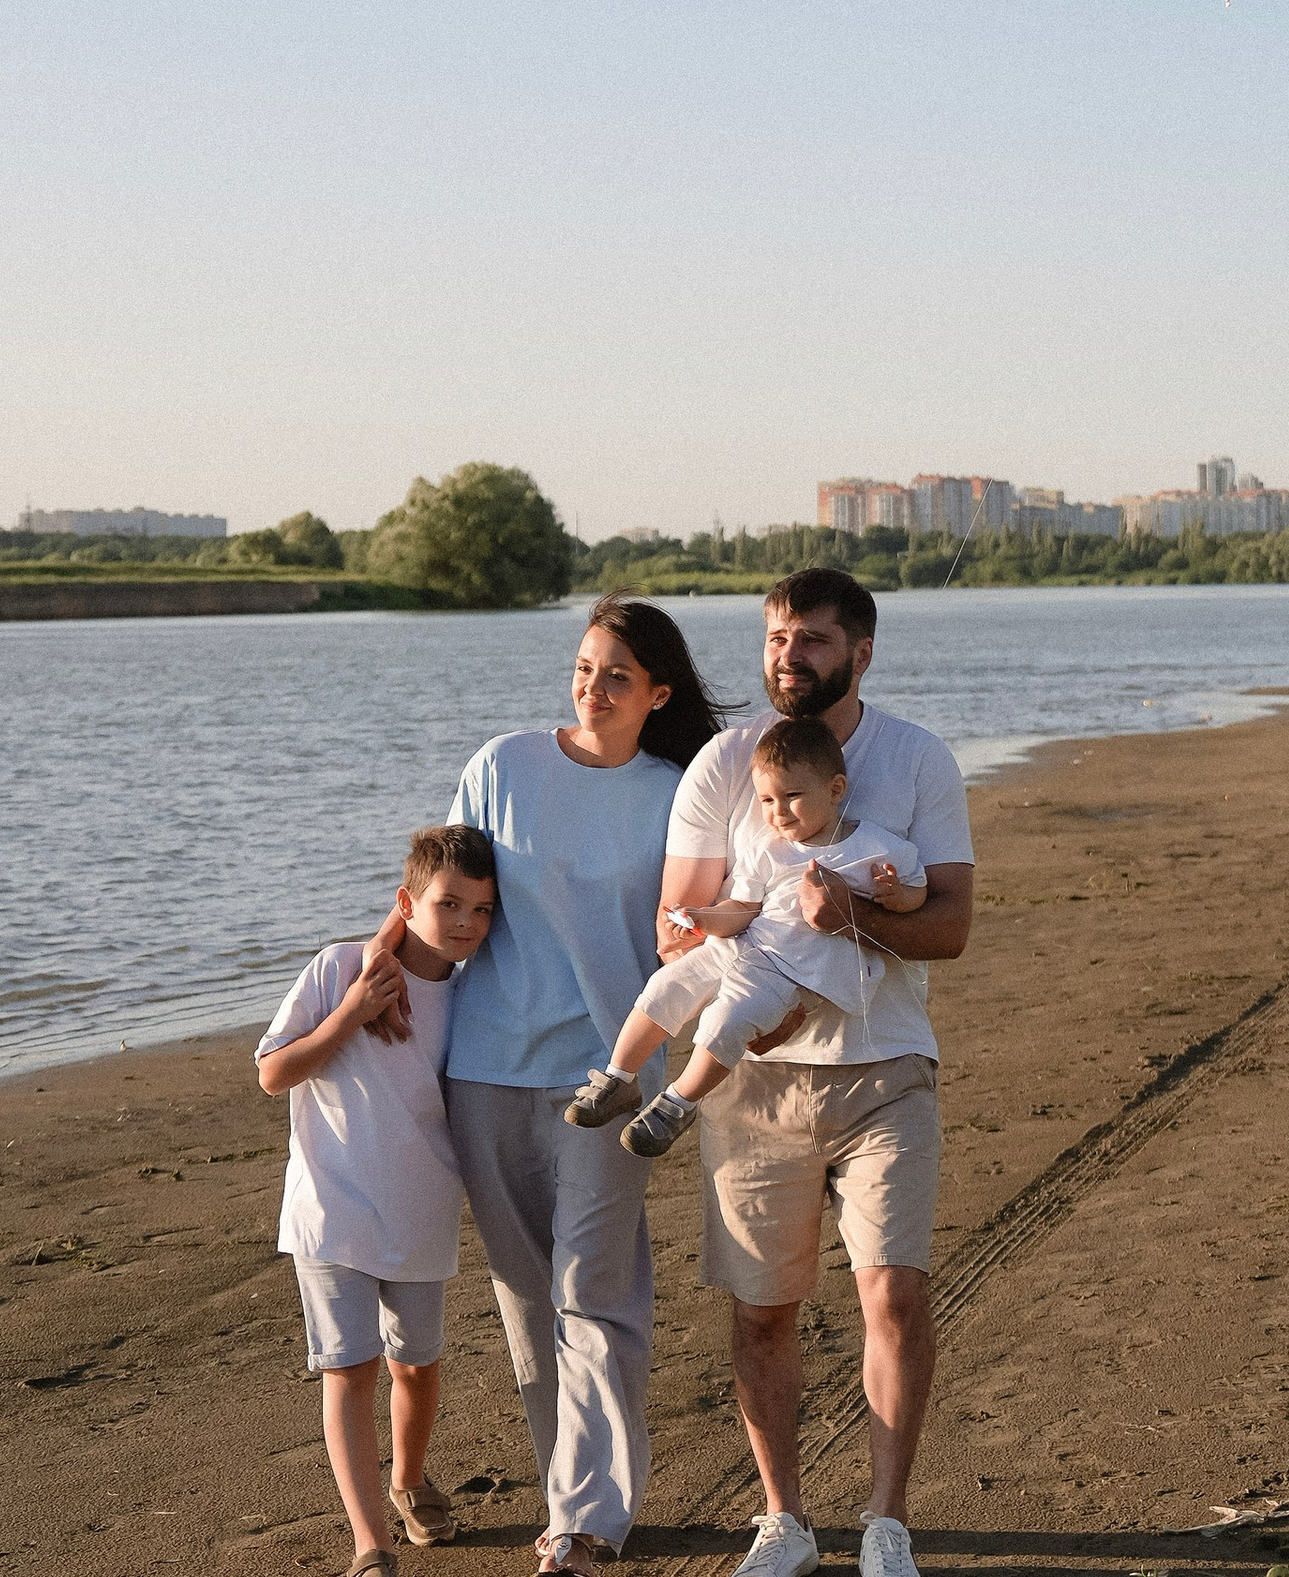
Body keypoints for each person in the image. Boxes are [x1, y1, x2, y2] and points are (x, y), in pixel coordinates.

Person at [370, 595, 730, 1577]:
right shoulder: (502, 766)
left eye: (617, 673)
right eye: (583, 666)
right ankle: (566, 1492)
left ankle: (584, 1519)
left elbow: (708, 917)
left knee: (595, 1295)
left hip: (608, 1079)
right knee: (529, 1303)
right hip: (485, 1071)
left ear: (658, 692)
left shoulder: (676, 790)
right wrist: (375, 964)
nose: (593, 686)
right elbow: (443, 897)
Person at [659, 569, 976, 1577]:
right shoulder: (721, 763)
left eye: (815, 640)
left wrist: (860, 919)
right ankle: (783, 1522)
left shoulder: (917, 759)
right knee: (761, 1307)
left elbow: (951, 926)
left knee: (892, 1295)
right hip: (755, 1084)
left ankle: (885, 1522)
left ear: (861, 652)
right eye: (778, 638)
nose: (790, 655)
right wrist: (739, 1009)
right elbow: (677, 928)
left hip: (887, 1067)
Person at [257, 823, 500, 1577]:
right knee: (349, 1368)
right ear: (406, 901)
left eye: (482, 910)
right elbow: (272, 1073)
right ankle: (372, 1542)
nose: (464, 922)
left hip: (423, 1208)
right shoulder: (338, 969)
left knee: (417, 1367)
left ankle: (408, 1475)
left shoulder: (477, 998)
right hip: (331, 1207)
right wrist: (352, 1011)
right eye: (448, 904)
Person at [565, 713, 926, 1153]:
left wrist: (895, 894)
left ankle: (677, 1102)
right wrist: (701, 918)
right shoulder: (768, 848)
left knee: (726, 1020)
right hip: (742, 943)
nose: (778, 812)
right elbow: (742, 909)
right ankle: (619, 1077)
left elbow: (918, 891)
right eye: (767, 800)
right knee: (665, 986)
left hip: (789, 972)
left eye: (792, 797)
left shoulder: (875, 847)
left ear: (835, 790)